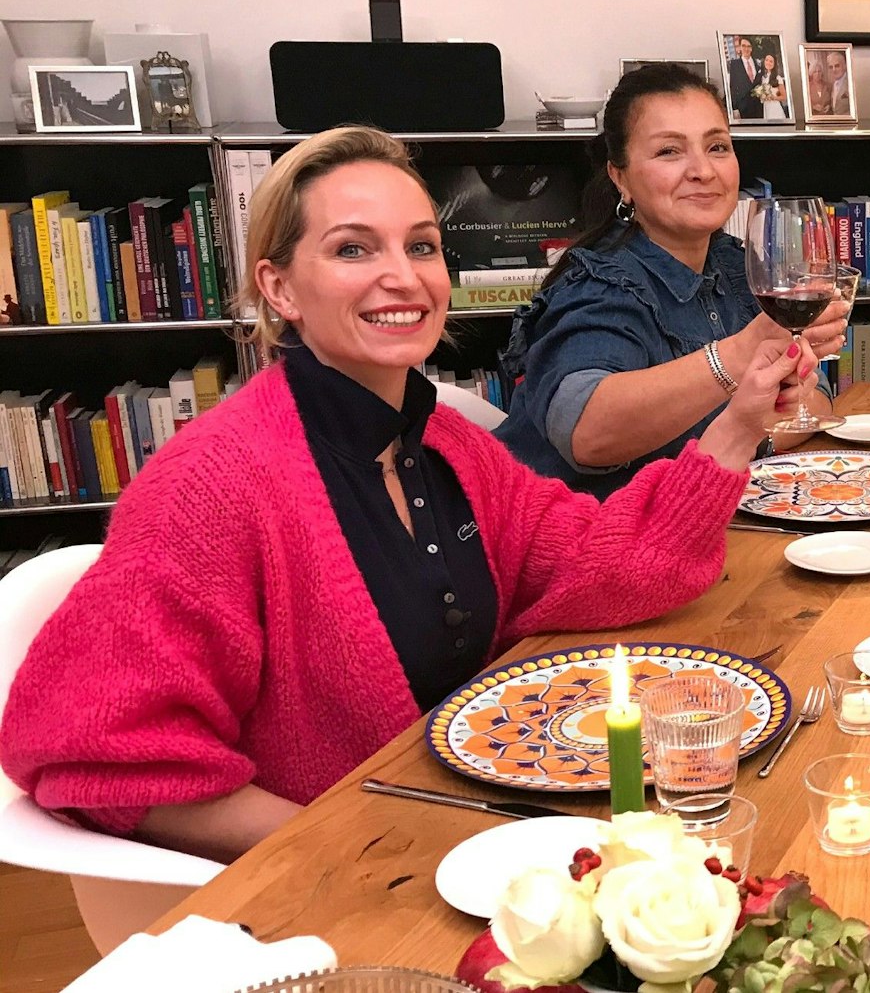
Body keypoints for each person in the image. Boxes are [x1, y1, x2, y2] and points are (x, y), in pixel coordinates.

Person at [0, 126, 815, 862]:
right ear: (279, 289)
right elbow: (94, 753)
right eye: (354, 250)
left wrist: (739, 420)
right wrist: (361, 844)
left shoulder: (445, 444)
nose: (403, 277)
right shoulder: (212, 485)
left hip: (484, 826)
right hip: (348, 880)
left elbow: (607, 562)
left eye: (422, 246)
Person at [497, 63, 847, 496]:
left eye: (717, 147)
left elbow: (814, 399)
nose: (703, 170)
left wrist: (755, 426)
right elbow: (585, 435)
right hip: (575, 544)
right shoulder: (602, 282)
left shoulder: (740, 266)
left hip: (700, 526)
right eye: (669, 151)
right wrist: (740, 358)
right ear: (619, 177)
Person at [725, 36, 760, 121]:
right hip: (742, 108)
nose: (746, 49)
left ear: (751, 48)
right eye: (743, 46)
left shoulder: (758, 64)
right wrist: (734, 108)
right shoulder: (734, 65)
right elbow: (732, 86)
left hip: (759, 108)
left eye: (748, 46)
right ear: (740, 47)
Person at [757, 52, 789, 120]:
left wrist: (773, 97)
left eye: (771, 61)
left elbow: (784, 97)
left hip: (775, 107)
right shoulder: (762, 77)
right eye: (766, 60)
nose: (768, 62)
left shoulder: (778, 78)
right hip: (766, 107)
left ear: (774, 64)